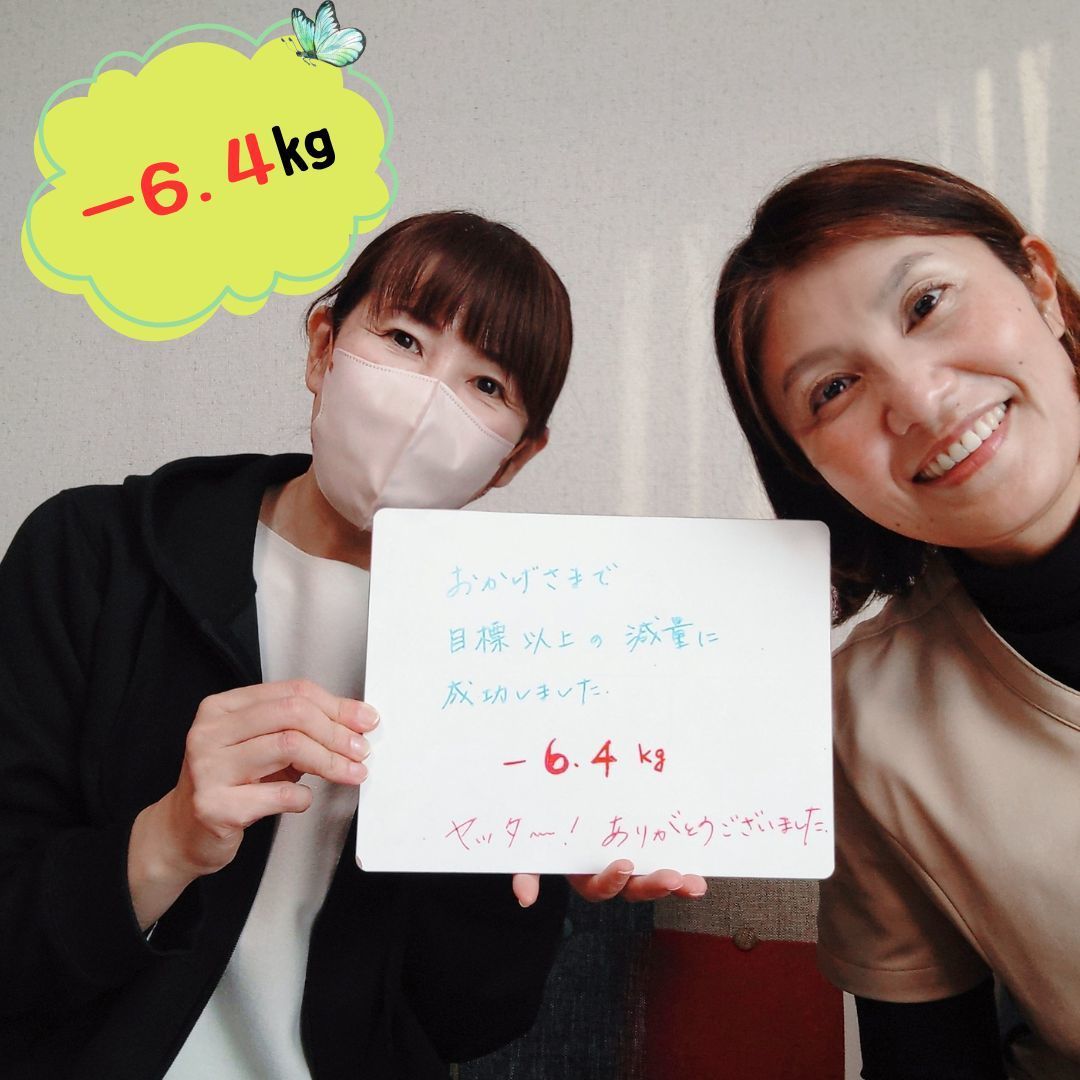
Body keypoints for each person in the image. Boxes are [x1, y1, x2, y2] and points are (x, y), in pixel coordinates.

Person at [0, 210, 703, 1080]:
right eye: (404, 339)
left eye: (486, 384)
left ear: (516, 457)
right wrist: (168, 840)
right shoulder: (94, 553)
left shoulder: (523, 652)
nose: (426, 400)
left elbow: (469, 1022)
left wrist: (509, 861)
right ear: (324, 346)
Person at [712, 158, 1080, 1078]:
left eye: (925, 304)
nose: (918, 401)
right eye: (833, 390)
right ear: (812, 471)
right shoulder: (865, 718)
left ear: (1039, 284)